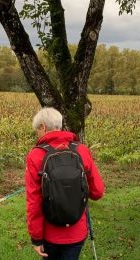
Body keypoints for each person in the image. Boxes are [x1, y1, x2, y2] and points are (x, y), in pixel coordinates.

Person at [25, 107, 105, 260]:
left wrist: (36, 238)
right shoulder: (81, 150)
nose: (37, 134)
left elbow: (34, 202)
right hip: (77, 231)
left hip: (49, 235)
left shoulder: (35, 155)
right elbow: (98, 192)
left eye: (37, 130)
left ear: (43, 126)